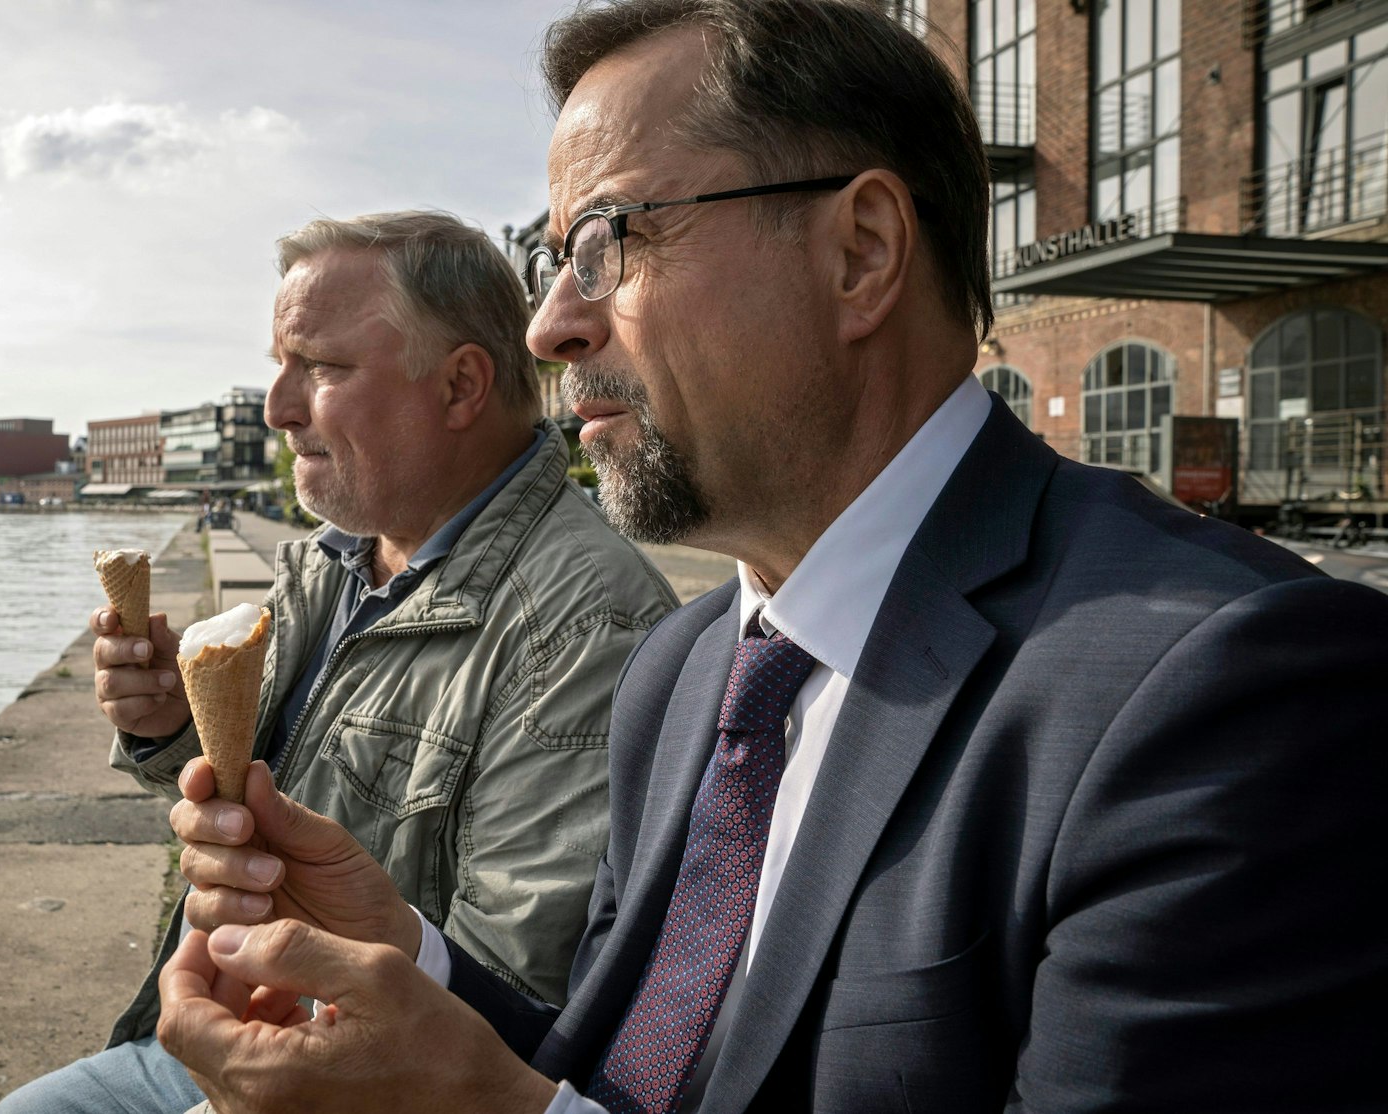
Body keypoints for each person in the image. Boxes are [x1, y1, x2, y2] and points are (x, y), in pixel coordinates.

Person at [151, 2, 1388, 1112]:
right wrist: (403, 958)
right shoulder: (690, 667)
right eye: (550, 259)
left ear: (858, 253)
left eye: (609, 241)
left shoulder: (1222, 692)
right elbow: (612, 1075)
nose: (550, 322)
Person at [0, 211, 679, 1113]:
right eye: (281, 366)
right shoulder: (329, 561)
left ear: (460, 385)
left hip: (343, 1074)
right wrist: (166, 727)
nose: (278, 406)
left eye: (321, 368)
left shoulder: (585, 629)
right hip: (241, 1020)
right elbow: (248, 808)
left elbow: (521, 1011)